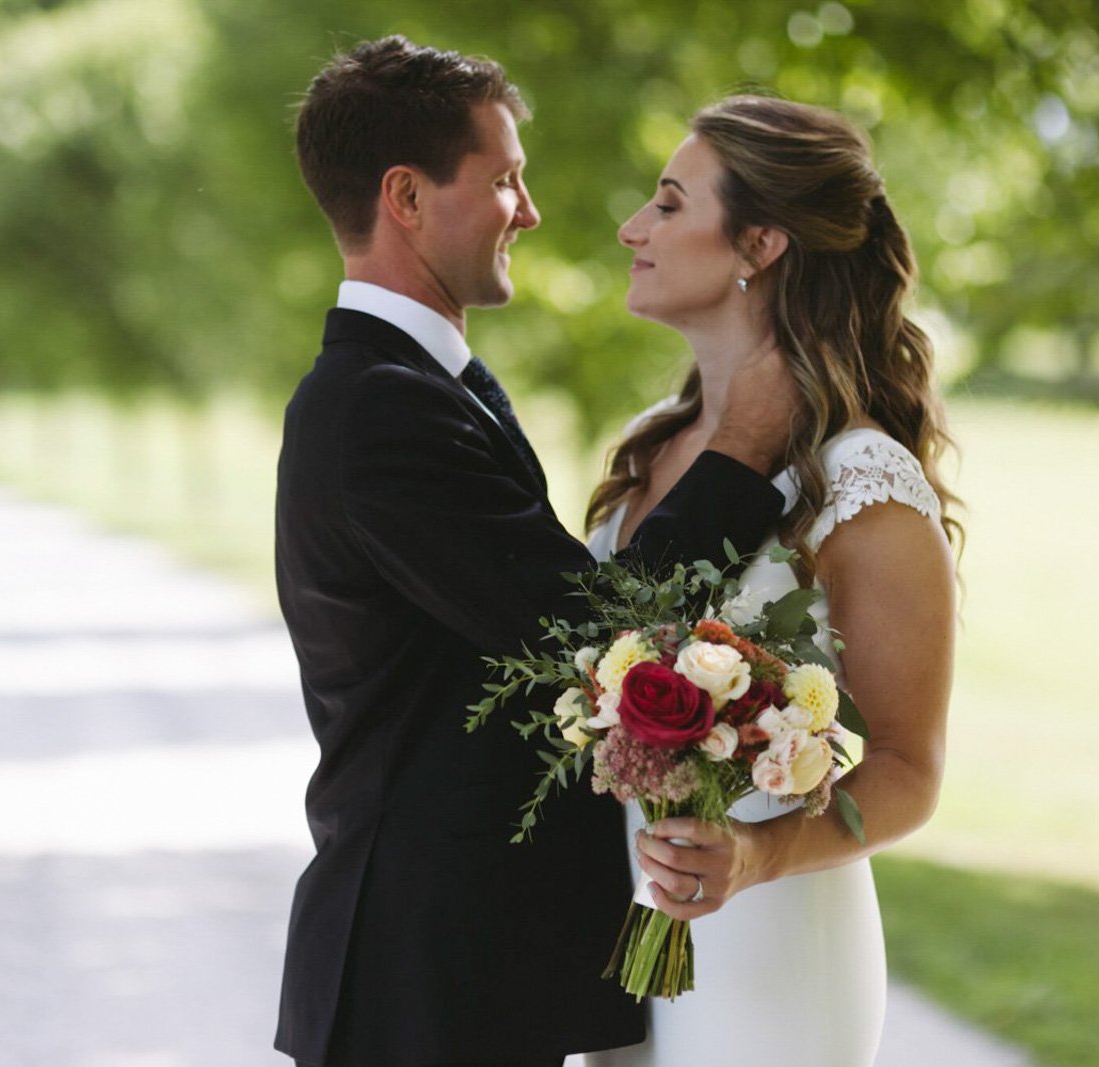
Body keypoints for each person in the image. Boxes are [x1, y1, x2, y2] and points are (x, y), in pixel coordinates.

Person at [274, 38, 797, 1067]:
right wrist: (742, 446)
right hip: (419, 987)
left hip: (473, 971)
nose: (531, 209)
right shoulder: (378, 410)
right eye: (505, 179)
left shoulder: (421, 385)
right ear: (406, 197)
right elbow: (593, 635)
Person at [581, 96, 961, 1066]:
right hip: (626, 940)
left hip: (773, 944)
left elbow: (909, 767)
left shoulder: (860, 480)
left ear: (759, 242)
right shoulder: (652, 450)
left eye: (668, 204)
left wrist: (758, 852)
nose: (633, 227)